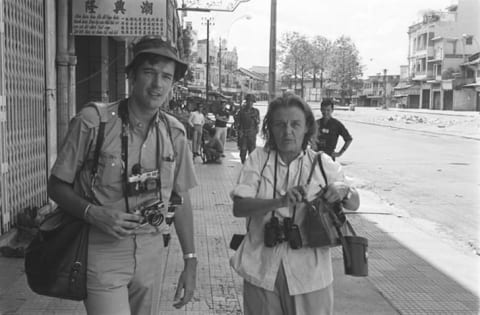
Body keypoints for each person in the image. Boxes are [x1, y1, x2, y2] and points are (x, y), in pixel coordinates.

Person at [47, 36, 198, 314]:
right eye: (149, 72)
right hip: (102, 248)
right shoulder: (94, 122)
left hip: (152, 249)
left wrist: (190, 259)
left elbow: (182, 198)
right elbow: (55, 186)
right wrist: (93, 213)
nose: (157, 84)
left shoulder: (174, 132)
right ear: (130, 75)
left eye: (166, 76)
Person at [230, 94, 360, 315]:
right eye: (279, 124)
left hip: (310, 276)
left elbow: (354, 203)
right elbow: (239, 208)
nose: (287, 131)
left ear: (307, 127)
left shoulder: (322, 163)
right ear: (269, 127)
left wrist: (343, 190)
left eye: (295, 124)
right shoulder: (258, 160)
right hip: (261, 269)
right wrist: (279, 202)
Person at [236, 93, 260, 163]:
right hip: (243, 134)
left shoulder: (256, 111)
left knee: (252, 152)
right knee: (243, 151)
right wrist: (239, 131)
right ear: (246, 102)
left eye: (251, 101)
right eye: (248, 101)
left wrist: (255, 119)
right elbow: (237, 123)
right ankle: (244, 163)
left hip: (252, 134)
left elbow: (258, 122)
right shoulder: (241, 111)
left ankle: (250, 166)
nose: (250, 103)